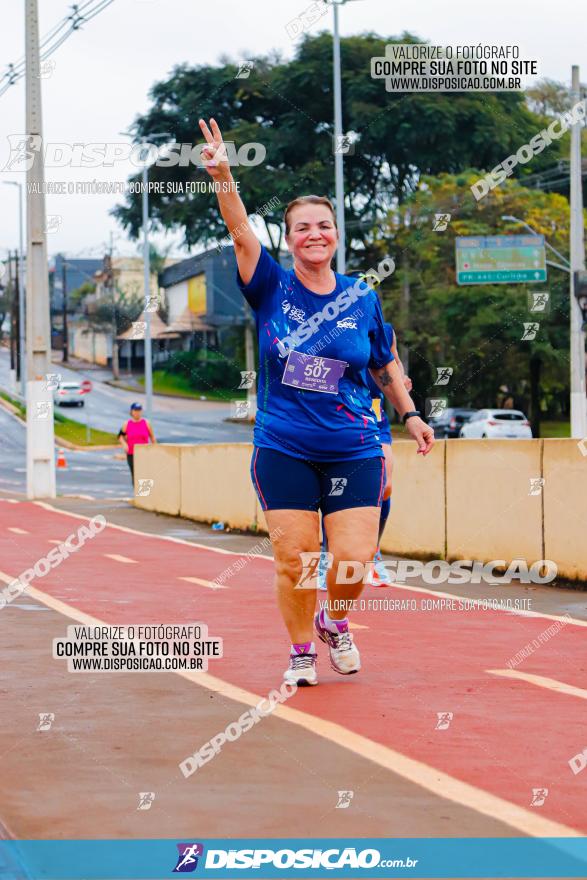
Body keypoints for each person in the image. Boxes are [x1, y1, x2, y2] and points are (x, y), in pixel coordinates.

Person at [199, 116, 434, 686]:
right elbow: (238, 231)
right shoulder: (271, 285)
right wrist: (223, 174)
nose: (313, 234)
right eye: (301, 227)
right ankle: (302, 649)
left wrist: (410, 413)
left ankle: (336, 618)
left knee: (352, 561)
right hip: (283, 445)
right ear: (289, 237)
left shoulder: (361, 296)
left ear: (335, 234)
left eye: (323, 225)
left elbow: (383, 363)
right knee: (296, 559)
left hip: (353, 444)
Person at [118, 402, 156, 483]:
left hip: (144, 453)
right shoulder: (127, 424)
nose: (137, 412)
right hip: (132, 454)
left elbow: (152, 437)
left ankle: (145, 495)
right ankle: (137, 494)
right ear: (131, 412)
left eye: (139, 410)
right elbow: (120, 436)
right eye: (135, 410)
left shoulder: (146, 423)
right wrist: (124, 444)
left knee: (144, 475)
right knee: (135, 475)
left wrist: (155, 450)